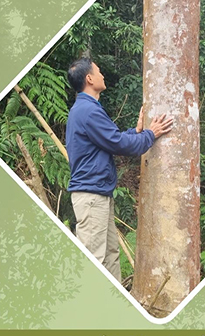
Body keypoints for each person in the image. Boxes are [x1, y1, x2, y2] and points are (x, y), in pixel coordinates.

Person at [65, 58, 173, 281]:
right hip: (91, 196)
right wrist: (151, 134)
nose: (103, 75)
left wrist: (137, 131)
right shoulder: (87, 111)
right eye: (99, 71)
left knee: (110, 255)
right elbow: (120, 145)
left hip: (97, 194)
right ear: (89, 78)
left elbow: (112, 140)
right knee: (94, 260)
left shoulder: (87, 108)